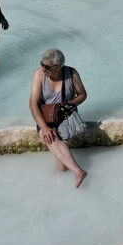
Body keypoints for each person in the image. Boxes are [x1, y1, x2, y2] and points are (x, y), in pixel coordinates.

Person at [28, 48, 88, 188]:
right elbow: (32, 104)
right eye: (42, 64)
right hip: (45, 116)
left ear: (58, 67)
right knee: (49, 137)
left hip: (65, 115)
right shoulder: (39, 74)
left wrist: (69, 105)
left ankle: (68, 179)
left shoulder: (71, 73)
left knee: (62, 163)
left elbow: (82, 94)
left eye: (47, 67)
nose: (43, 69)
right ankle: (78, 172)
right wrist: (44, 128)